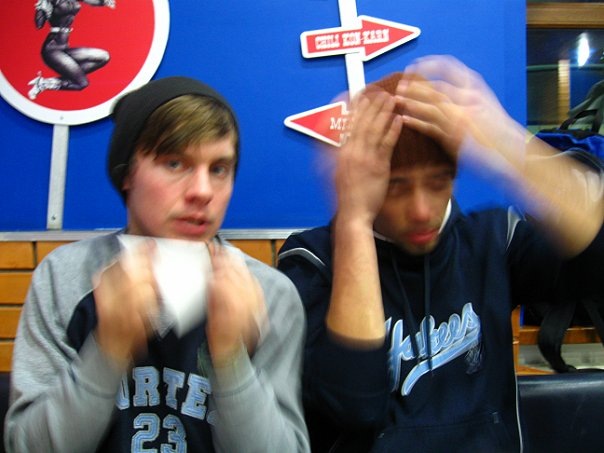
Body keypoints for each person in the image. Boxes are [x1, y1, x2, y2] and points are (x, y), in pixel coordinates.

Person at [277, 56, 604, 452]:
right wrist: (354, 220)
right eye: (395, 186)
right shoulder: (311, 260)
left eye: (438, 182)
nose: (421, 210)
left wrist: (506, 142)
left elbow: (595, 262)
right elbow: (354, 406)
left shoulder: (493, 239)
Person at [5, 76, 310, 452]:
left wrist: (232, 361)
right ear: (127, 174)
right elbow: (25, 446)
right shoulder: (64, 278)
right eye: (174, 163)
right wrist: (107, 350)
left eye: (219, 169)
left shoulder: (268, 294)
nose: (203, 191)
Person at [28, 0, 114, 100]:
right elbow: (39, 25)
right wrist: (42, 8)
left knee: (104, 57)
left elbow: (95, 2)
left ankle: (47, 81)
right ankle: (44, 84)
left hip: (64, 48)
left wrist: (105, 2)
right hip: (52, 49)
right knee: (82, 83)